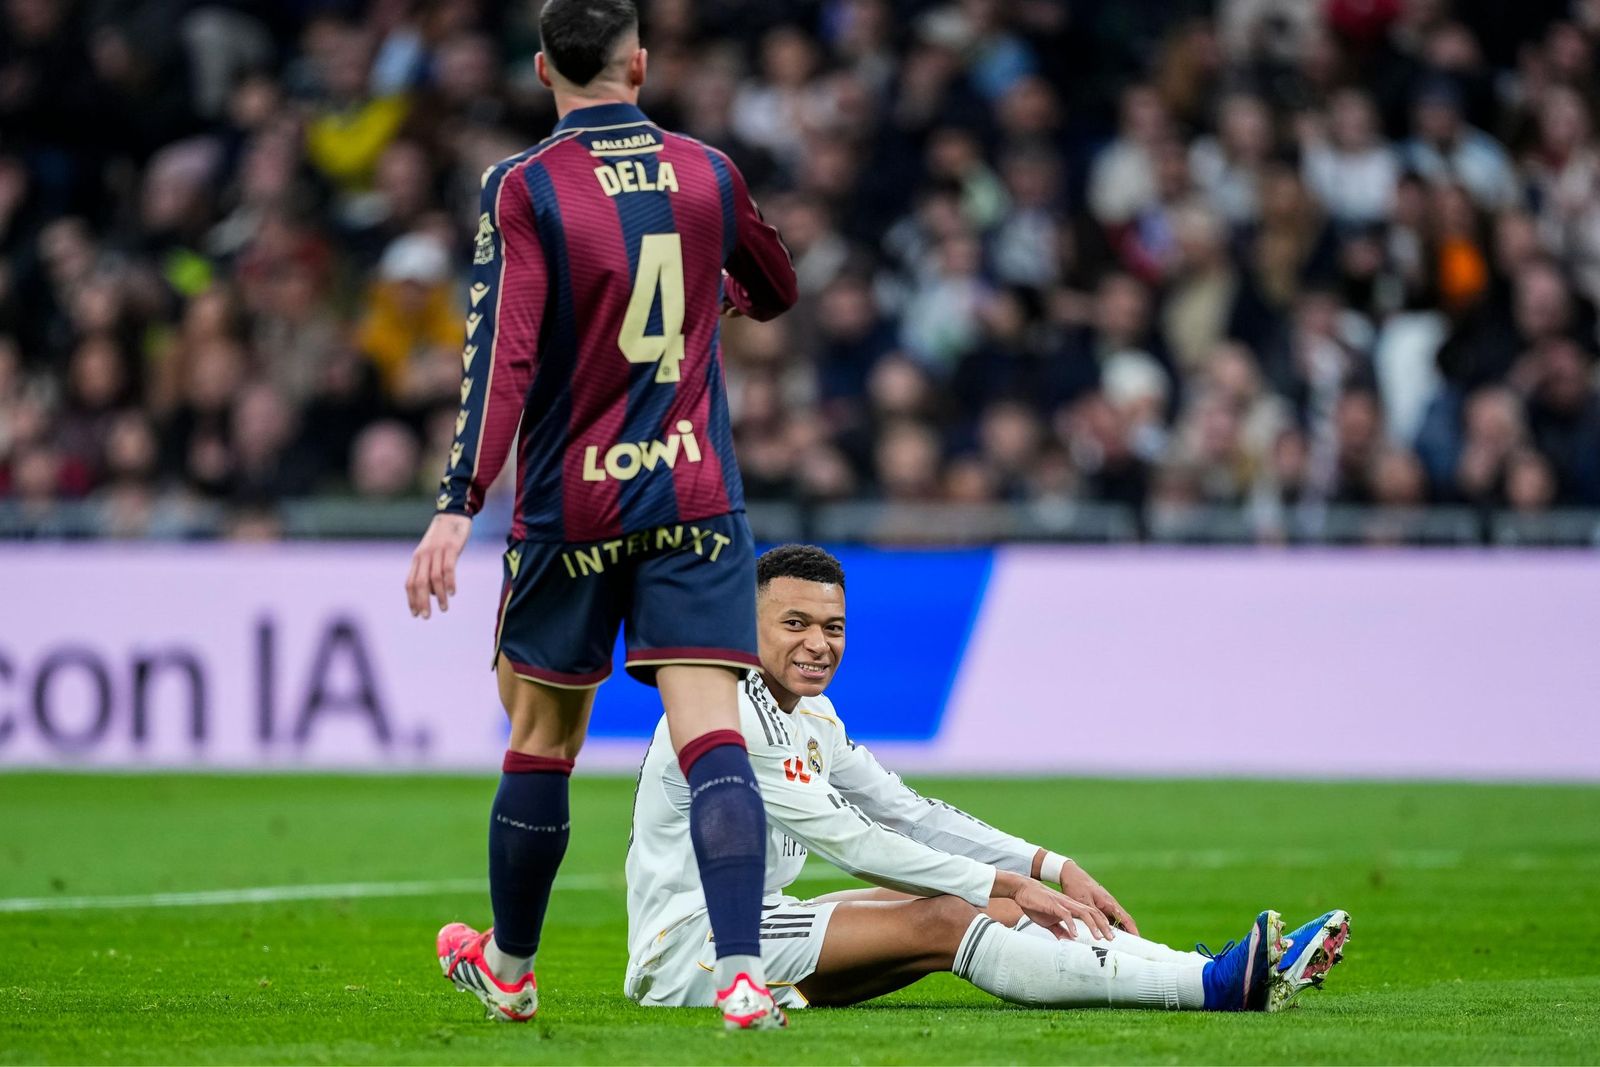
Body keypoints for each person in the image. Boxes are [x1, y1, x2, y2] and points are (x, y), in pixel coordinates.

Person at [403, 0, 798, 1030]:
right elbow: (779, 280)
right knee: (712, 735)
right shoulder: (709, 170)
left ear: (542, 69)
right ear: (641, 62)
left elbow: (505, 355)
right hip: (694, 491)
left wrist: (457, 501)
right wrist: (722, 298)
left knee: (541, 738)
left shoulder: (526, 188)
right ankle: (743, 972)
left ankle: (514, 966)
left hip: (571, 503)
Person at [625, 544, 1350, 1014]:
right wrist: (998, 885)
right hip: (696, 951)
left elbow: (907, 810)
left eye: (834, 626)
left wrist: (1048, 865)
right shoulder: (728, 713)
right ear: (745, 625)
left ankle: (1207, 967)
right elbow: (853, 839)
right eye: (794, 623)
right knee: (947, 914)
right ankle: (1208, 988)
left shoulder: (812, 712)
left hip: (756, 929)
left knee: (961, 897)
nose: (818, 643)